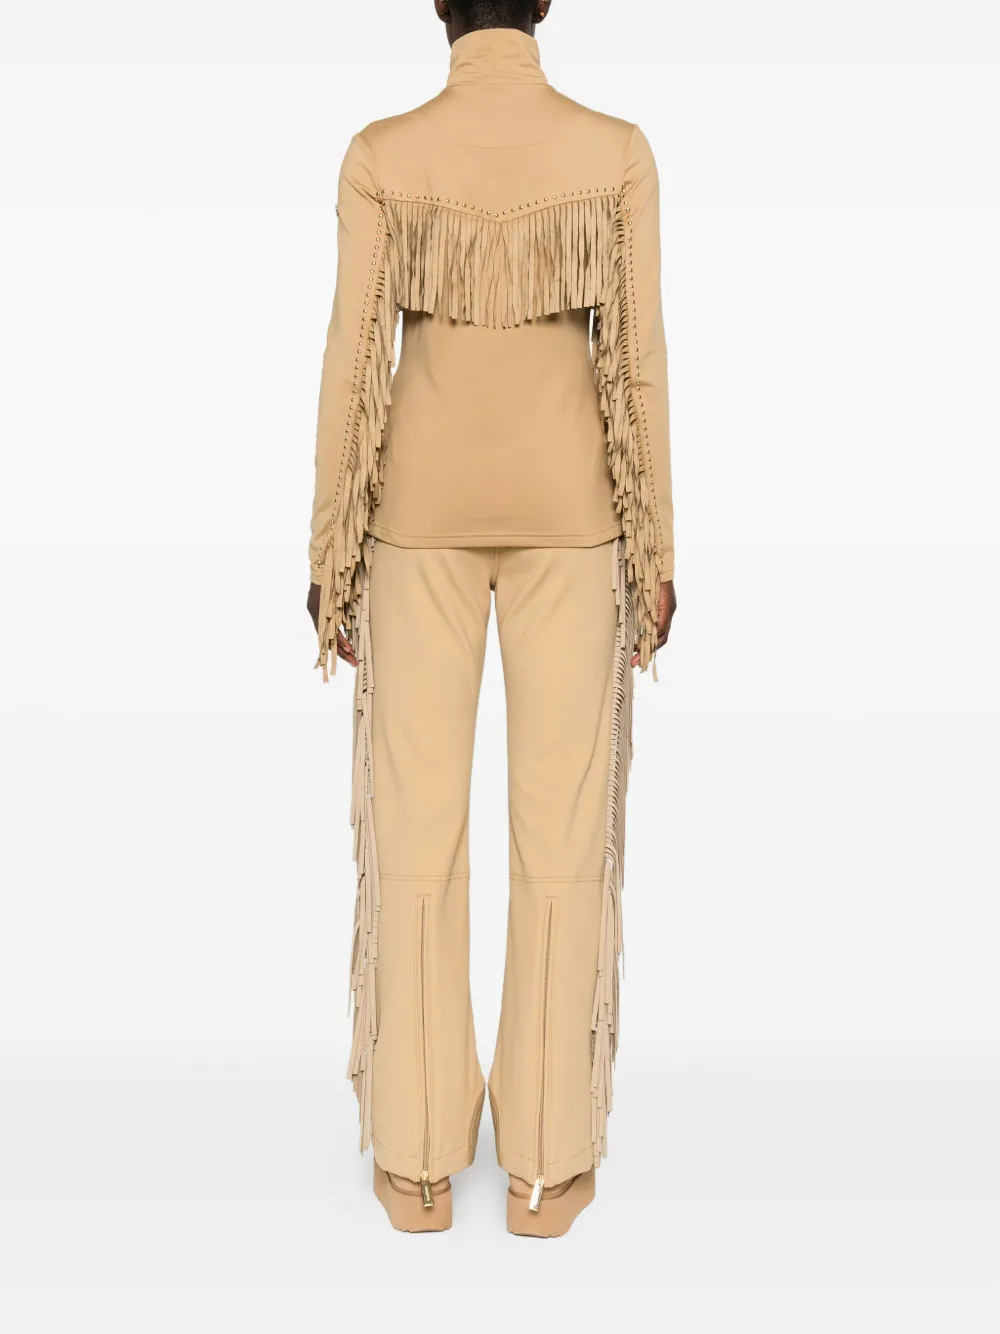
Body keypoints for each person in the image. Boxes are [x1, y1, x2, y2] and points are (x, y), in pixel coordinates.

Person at [307, 0, 676, 1237]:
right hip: (576, 518)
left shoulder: (384, 155)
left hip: (415, 519)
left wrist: (329, 552)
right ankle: (544, 1165)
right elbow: (636, 364)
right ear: (544, 5)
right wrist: (657, 546)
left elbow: (353, 356)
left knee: (416, 834)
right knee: (560, 837)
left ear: (439, 7)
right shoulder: (612, 154)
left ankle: (417, 1162)